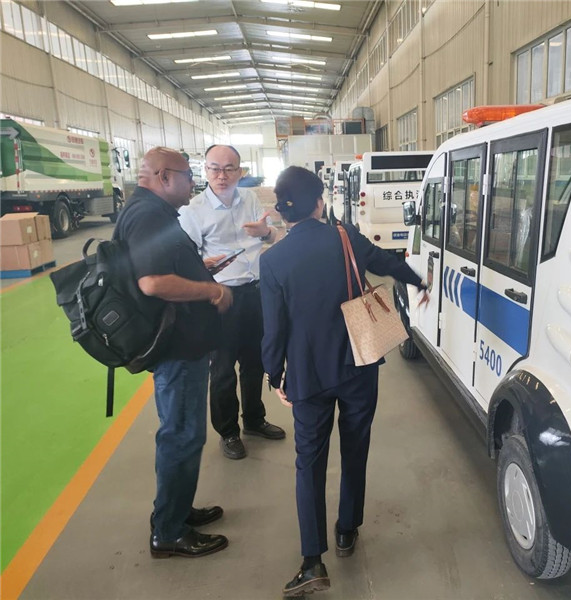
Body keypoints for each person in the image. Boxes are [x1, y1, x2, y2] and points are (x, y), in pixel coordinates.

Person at [259, 166, 429, 597]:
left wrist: (275, 373)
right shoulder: (345, 236)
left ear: (283, 212)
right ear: (320, 203)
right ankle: (347, 530)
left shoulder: (272, 260)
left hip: (308, 375)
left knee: (309, 462)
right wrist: (419, 281)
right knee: (355, 446)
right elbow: (386, 263)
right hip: (359, 363)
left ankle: (312, 562)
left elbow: (273, 330)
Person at [113, 147, 232, 558]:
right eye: (188, 175)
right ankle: (168, 531)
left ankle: (176, 510)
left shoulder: (152, 211)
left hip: (182, 344)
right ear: (164, 177)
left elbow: (161, 268)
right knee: (181, 436)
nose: (193, 182)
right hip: (178, 349)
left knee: (182, 433)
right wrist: (211, 290)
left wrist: (200, 269)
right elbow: (152, 282)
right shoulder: (148, 215)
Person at [179, 145, 286, 460]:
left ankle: (254, 419)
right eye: (214, 168)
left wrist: (265, 232)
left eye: (229, 169)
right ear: (205, 171)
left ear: (240, 171)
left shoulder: (249, 199)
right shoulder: (193, 210)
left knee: (255, 362)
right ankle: (228, 432)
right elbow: (185, 260)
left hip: (255, 292)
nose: (221, 175)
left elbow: (270, 237)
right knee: (223, 369)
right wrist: (204, 267)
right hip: (220, 298)